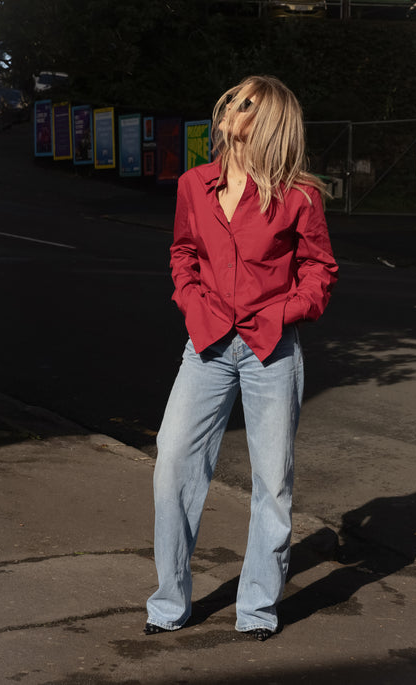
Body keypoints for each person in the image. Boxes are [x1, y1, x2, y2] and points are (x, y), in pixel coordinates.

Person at [145, 75, 338, 641]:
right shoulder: (194, 184)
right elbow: (183, 251)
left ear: (269, 121)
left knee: (272, 482)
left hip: (270, 349)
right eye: (233, 96)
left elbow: (320, 269)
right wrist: (191, 301)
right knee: (173, 461)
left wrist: (283, 314)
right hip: (206, 344)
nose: (232, 104)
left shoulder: (300, 196)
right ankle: (169, 602)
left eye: (247, 101)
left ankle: (256, 609)